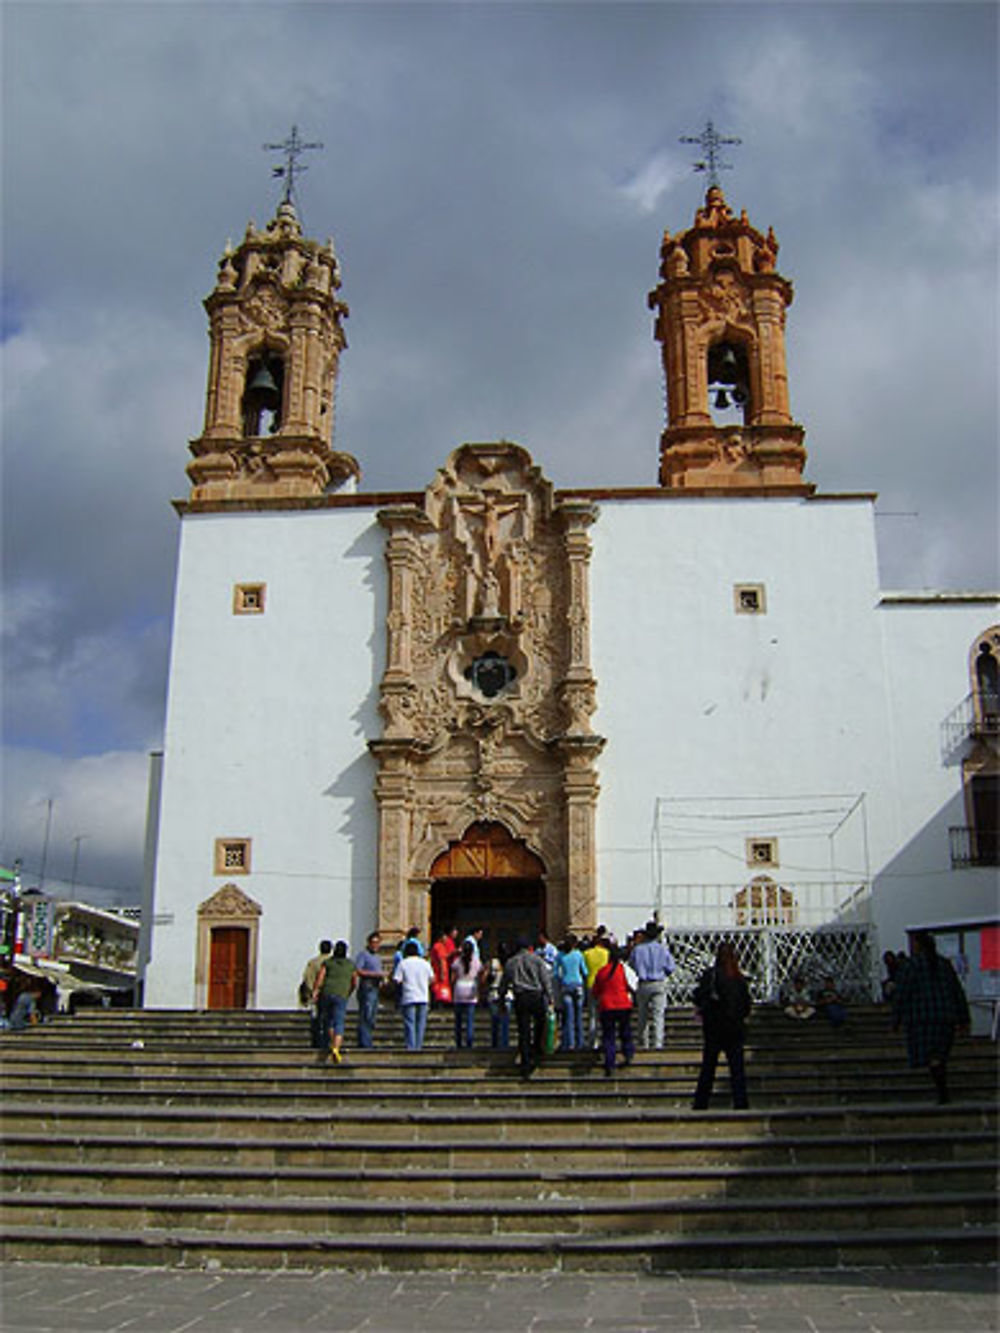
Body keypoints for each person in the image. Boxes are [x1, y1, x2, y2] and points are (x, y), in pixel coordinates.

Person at [893, 931, 970, 1104]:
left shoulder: (910, 966)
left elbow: (901, 994)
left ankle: (942, 1091)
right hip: (945, 1016)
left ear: (918, 945)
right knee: (939, 1055)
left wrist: (896, 1019)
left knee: (932, 1056)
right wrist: (963, 1018)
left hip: (921, 1018)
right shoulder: (944, 964)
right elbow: (957, 991)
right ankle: (942, 1089)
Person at [691, 942, 752, 1110]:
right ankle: (740, 1101)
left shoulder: (711, 976)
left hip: (714, 1027)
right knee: (737, 1069)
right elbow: (746, 1005)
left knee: (708, 1067)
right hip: (734, 1028)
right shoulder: (738, 978)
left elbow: (698, 997)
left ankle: (701, 1102)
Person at [499, 935, 554, 1079]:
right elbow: (545, 980)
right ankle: (535, 1051)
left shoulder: (511, 962)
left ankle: (525, 1061)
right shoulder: (537, 960)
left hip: (521, 997)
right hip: (536, 996)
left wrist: (501, 999)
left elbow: (504, 984)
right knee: (539, 1025)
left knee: (523, 1030)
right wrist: (550, 998)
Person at [591, 942, 636, 1076]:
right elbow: (632, 985)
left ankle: (610, 1061)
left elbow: (596, 991)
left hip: (607, 1006)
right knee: (625, 1031)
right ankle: (627, 1053)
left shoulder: (602, 972)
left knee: (608, 1035)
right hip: (623, 1004)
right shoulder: (623, 969)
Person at [630, 920, 675, 1049]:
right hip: (658, 982)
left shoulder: (637, 950)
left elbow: (632, 965)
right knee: (658, 1015)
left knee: (642, 1015)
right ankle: (658, 1043)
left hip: (644, 983)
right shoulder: (662, 949)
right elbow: (671, 967)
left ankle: (643, 1042)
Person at [312, 940, 356, 1064]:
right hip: (341, 993)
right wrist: (349, 991)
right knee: (339, 1021)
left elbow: (320, 977)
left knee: (329, 1021)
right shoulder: (350, 965)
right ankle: (336, 1048)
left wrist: (315, 991)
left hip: (327, 992)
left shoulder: (328, 963)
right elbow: (354, 981)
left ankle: (332, 1043)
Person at [393, 939, 434, 1051]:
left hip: (409, 996)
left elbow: (397, 980)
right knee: (421, 1023)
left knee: (409, 1023)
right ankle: (418, 1045)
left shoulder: (403, 963)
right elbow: (432, 979)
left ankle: (411, 1046)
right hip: (423, 996)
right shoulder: (425, 963)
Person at [554, 934, 587, 1050]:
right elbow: (585, 971)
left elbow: (556, 973)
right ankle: (580, 1042)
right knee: (578, 1016)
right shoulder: (578, 955)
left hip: (566, 985)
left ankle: (569, 1043)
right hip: (578, 984)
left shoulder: (560, 956)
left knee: (568, 1017)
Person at [451, 937, 483, 1048]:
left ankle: (459, 1042)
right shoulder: (476, 961)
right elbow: (480, 975)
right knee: (470, 1019)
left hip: (459, 988)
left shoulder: (457, 961)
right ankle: (469, 1041)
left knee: (458, 1020)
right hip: (471, 988)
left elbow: (453, 977)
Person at [300, 940, 332, 1050]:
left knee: (316, 1018)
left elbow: (307, 977)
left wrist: (311, 991)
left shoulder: (313, 962)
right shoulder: (332, 962)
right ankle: (326, 1041)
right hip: (329, 993)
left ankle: (316, 1040)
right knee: (328, 1018)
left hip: (316, 993)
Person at [354, 931, 384, 1048]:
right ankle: (364, 1042)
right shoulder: (363, 955)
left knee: (372, 1015)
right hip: (367, 986)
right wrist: (375, 974)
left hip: (375, 987)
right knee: (366, 1014)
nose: (376, 945)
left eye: (378, 943)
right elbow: (358, 970)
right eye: (374, 943)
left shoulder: (377, 957)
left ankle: (367, 1039)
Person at [582, 931, 610, 1048]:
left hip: (590, 984)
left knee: (592, 1015)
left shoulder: (586, 953)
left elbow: (584, 970)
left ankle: (592, 1041)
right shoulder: (606, 953)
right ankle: (604, 1039)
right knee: (604, 1015)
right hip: (604, 985)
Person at [486, 942, 511, 1048]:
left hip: (494, 993)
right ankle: (504, 1043)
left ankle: (495, 1043)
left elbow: (486, 977)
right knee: (505, 1022)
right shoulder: (511, 963)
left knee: (495, 1022)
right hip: (508, 994)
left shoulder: (493, 963)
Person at [429, 927, 458, 1005]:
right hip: (439, 971)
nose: (446, 939)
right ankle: (439, 1004)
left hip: (440, 970)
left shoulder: (440, 946)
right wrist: (442, 973)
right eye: (445, 937)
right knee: (440, 989)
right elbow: (442, 959)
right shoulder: (439, 946)